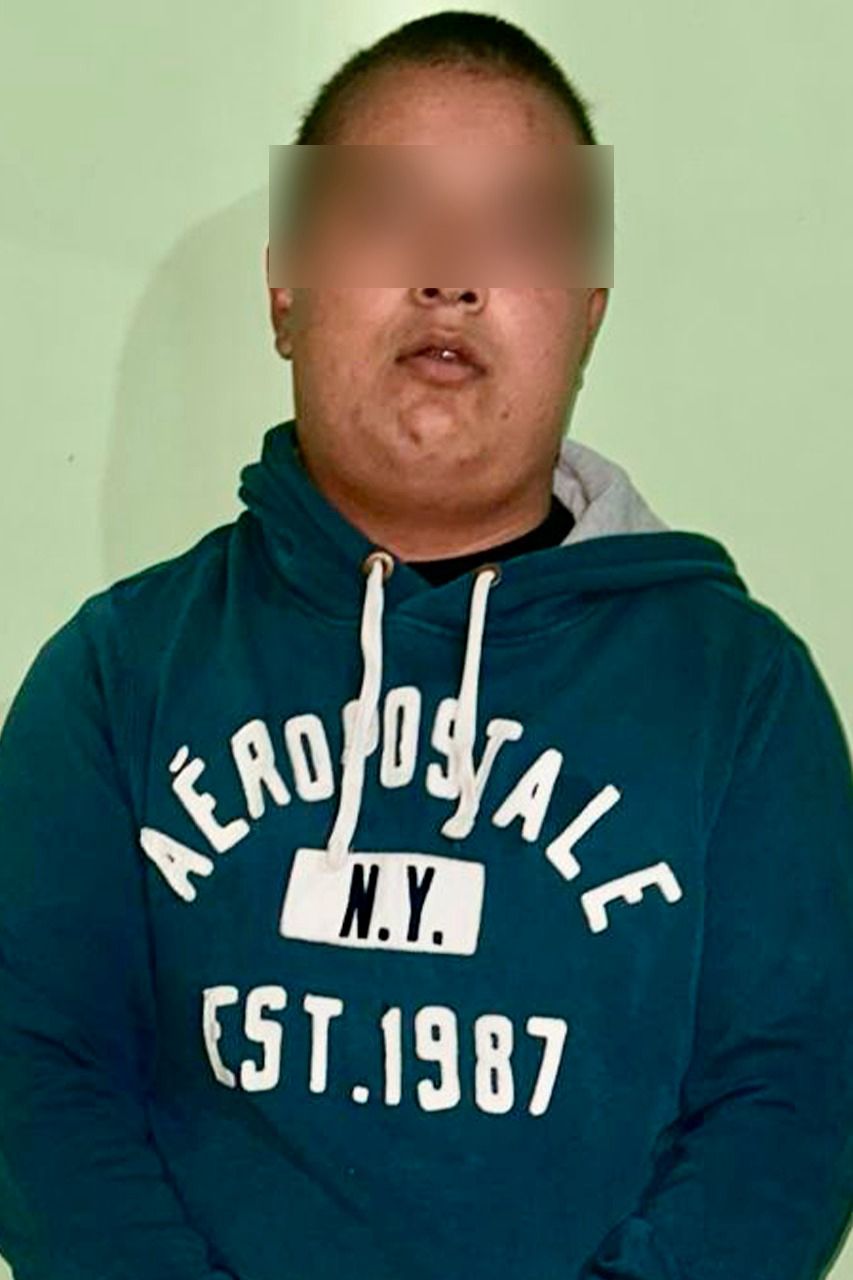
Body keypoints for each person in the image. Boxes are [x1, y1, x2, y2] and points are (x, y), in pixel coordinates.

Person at [1, 10, 851, 1280]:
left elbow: (789, 1109)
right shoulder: (115, 678)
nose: (450, 273)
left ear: (586, 312)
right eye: (388, 213)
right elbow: (38, 1076)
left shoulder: (741, 694)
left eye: (517, 228)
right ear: (284, 287)